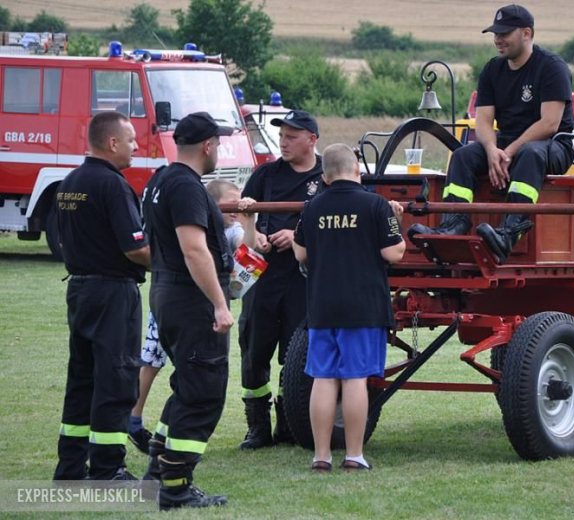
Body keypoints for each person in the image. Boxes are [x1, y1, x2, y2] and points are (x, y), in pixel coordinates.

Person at [408, 4, 574, 265]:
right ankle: (453, 225)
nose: (498, 39)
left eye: (505, 33)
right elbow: (483, 121)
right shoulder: (492, 70)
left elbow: (550, 124)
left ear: (527, 33)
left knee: (530, 153)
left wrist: (507, 152)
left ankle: (509, 232)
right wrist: (491, 151)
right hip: (507, 145)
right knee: (463, 155)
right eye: (495, 33)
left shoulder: (551, 67)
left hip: (552, 146)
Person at [292, 144, 405, 471]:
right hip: (363, 305)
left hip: (322, 305)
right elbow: (394, 253)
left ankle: (321, 456)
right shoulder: (376, 204)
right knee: (355, 378)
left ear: (324, 176)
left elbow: (300, 253)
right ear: (358, 171)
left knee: (323, 378)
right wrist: (397, 221)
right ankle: (354, 454)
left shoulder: (312, 207)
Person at [141, 111, 234, 510]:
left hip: (166, 290)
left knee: (187, 383)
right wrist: (219, 303)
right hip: (191, 298)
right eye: (220, 143)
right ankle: (175, 485)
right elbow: (194, 248)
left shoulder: (159, 180)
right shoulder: (186, 187)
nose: (220, 150)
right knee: (203, 391)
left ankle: (157, 472)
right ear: (208, 145)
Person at [53, 110, 151, 481]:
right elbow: (135, 249)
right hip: (113, 292)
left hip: (80, 290)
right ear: (112, 143)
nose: (135, 146)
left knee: (82, 378)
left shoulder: (69, 182)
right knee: (116, 377)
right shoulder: (113, 185)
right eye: (130, 140)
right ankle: (108, 467)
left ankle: (70, 466)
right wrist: (174, 264)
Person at [128, 179, 254, 455]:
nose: (235, 209)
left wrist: (249, 217)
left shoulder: (230, 230)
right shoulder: (193, 225)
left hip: (198, 308)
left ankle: (155, 432)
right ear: (212, 205)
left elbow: (249, 244)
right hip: (176, 303)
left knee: (187, 371)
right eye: (231, 203)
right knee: (152, 360)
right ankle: (133, 419)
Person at [238, 110, 323, 449]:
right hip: (263, 277)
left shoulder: (326, 178)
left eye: (291, 136)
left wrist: (297, 234)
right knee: (254, 351)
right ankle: (257, 426)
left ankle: (289, 424)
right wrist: (255, 233)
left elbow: (336, 224)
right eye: (281, 135)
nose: (282, 142)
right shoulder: (266, 175)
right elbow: (245, 215)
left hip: (303, 279)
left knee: (296, 353)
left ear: (311, 140)